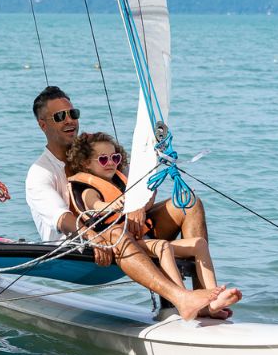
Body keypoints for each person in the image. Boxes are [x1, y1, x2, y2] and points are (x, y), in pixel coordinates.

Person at [24, 85, 239, 320]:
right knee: (116, 233)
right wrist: (93, 236)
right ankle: (180, 298)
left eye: (72, 114)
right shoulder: (40, 172)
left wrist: (138, 205)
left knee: (189, 204)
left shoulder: (96, 153)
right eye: (59, 116)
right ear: (43, 125)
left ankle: (205, 301)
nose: (69, 121)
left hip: (124, 231)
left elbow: (139, 187)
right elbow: (63, 219)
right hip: (79, 251)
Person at [64, 131, 237, 319]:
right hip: (121, 242)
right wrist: (113, 206)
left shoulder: (121, 178)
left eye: (115, 157)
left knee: (199, 241)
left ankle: (210, 302)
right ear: (85, 163)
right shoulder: (87, 188)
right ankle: (183, 299)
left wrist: (145, 199)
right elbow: (95, 205)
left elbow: (146, 201)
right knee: (162, 246)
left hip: (143, 238)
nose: (112, 163)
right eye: (103, 160)